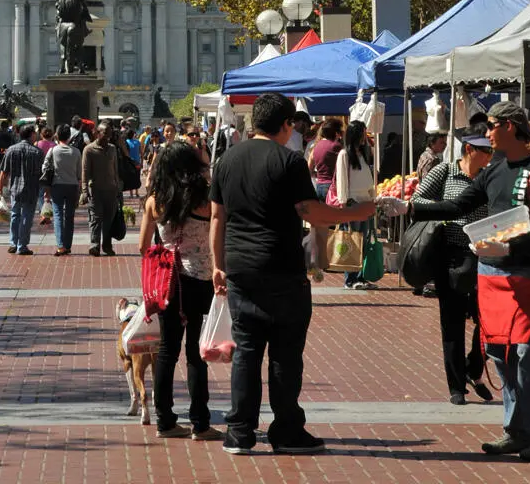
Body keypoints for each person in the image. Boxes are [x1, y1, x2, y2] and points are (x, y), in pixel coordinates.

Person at [383, 101, 530, 462]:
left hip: (523, 275)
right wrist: (412, 208)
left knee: (528, 355)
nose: (487, 133)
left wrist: (509, 242)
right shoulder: (494, 170)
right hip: (490, 274)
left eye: (492, 125)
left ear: (511, 127)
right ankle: (516, 431)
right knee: (499, 354)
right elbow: (459, 206)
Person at [210, 92, 376, 455]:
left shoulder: (226, 160)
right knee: (285, 353)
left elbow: (217, 217)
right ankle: (286, 429)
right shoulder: (288, 161)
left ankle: (239, 431)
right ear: (287, 125)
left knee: (247, 351)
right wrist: (358, 213)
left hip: (240, 267)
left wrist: (218, 264)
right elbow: (311, 212)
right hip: (281, 268)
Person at [139, 141, 220, 440]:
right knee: (197, 353)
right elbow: (217, 234)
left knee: (166, 351)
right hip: (201, 278)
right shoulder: (206, 197)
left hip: (168, 283)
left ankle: (165, 421)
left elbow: (142, 246)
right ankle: (200, 422)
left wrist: (168, 245)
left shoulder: (154, 200)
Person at [413, 135, 494, 404]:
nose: (490, 156)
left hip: (483, 255)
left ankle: (473, 367)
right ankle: (456, 386)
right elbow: (418, 200)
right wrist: (445, 215)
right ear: (469, 149)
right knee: (452, 321)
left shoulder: (489, 177)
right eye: (485, 151)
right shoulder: (445, 171)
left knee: (486, 319)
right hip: (450, 255)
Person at [332, 120, 377, 290]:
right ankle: (350, 279)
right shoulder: (344, 154)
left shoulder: (363, 154)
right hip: (353, 203)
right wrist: (343, 202)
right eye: (362, 133)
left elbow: (368, 178)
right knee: (352, 241)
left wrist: (373, 198)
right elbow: (342, 180)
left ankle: (360, 276)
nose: (364, 137)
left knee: (363, 241)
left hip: (365, 202)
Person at [0, 125, 43, 255]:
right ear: (31, 135)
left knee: (15, 214)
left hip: (15, 188)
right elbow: (42, 173)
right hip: (31, 188)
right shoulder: (37, 152)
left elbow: (4, 172)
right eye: (34, 133)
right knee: (27, 217)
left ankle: (13, 243)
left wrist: (0, 189)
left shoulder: (11, 150)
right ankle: (22, 245)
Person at [82, 121, 121, 256]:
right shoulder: (89, 150)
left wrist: (118, 189)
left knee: (108, 220)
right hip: (96, 190)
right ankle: (95, 245)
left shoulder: (112, 149)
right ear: (97, 133)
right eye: (105, 134)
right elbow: (85, 172)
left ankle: (107, 246)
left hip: (111, 189)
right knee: (96, 218)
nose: (108, 137)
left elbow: (115, 170)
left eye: (110, 134)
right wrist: (84, 191)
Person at [43, 124, 81, 255]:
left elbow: (44, 168)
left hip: (57, 185)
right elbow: (79, 173)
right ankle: (68, 245)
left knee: (58, 215)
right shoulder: (76, 152)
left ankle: (60, 245)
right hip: (72, 186)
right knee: (70, 216)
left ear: (57, 136)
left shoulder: (53, 151)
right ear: (69, 137)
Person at [307, 119, 343, 200]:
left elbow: (309, 169)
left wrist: (319, 174)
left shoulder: (316, 146)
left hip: (319, 186)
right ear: (336, 133)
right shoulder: (337, 146)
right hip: (332, 186)